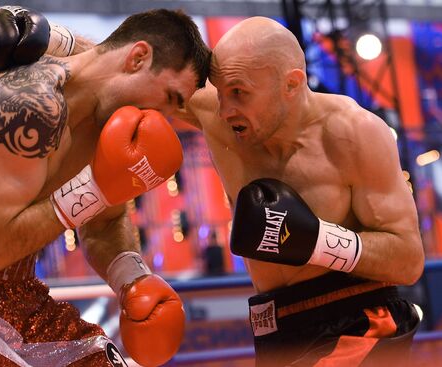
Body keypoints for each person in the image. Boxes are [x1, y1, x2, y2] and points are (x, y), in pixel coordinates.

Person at [0, 6, 210, 367]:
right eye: (170, 98)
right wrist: (97, 188)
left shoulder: (110, 126)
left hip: (16, 294)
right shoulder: (32, 100)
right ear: (138, 57)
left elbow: (104, 223)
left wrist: (132, 278)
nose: (165, 117)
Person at [177, 16, 424, 366]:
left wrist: (316, 241)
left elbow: (409, 260)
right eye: (219, 92)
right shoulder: (219, 117)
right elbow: (129, 72)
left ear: (291, 84)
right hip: (274, 326)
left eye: (239, 93)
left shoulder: (354, 133)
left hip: (358, 318)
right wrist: (67, 49)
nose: (225, 109)